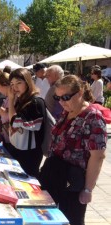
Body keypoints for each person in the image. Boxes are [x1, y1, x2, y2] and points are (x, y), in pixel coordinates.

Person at [39, 75, 107, 225]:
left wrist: (88, 190)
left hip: (71, 183)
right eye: (58, 98)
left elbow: (98, 157)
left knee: (72, 221)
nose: (62, 102)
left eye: (66, 97)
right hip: (54, 175)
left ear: (80, 92)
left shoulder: (93, 117)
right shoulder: (68, 111)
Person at [8, 68, 45, 178]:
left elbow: (13, 121)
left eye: (19, 83)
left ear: (28, 82)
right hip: (18, 147)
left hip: (29, 153)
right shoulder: (22, 99)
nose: (15, 87)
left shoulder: (35, 102)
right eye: (12, 84)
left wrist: (10, 100)